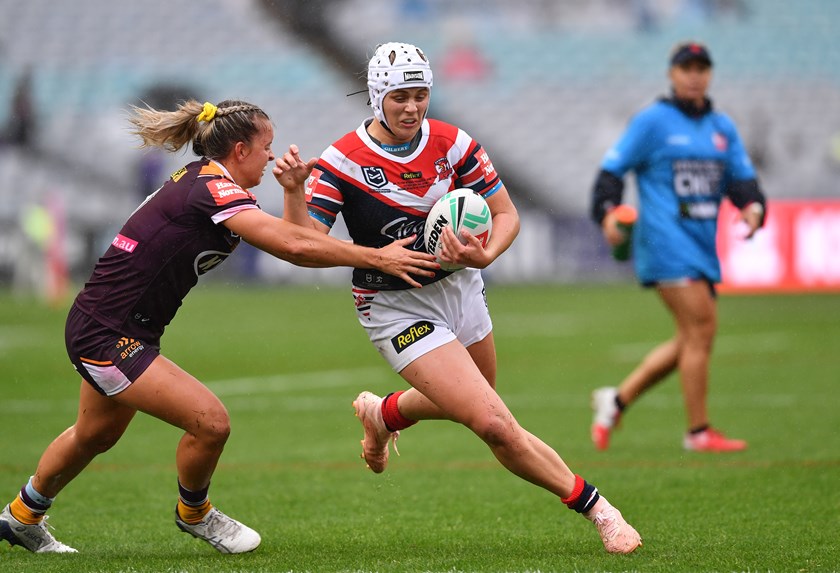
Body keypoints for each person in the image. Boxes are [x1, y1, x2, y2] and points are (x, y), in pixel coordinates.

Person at [0, 99, 438, 554]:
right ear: (241, 149)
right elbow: (296, 247)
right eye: (266, 147)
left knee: (95, 434)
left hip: (114, 326)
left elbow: (297, 244)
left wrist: (292, 191)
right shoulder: (213, 189)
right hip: (108, 335)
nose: (272, 157)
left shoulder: (212, 183)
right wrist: (377, 256)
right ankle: (196, 514)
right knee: (211, 423)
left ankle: (21, 517)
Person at [280, 42, 642, 554]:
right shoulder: (342, 161)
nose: (412, 107)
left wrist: (485, 255)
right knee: (494, 423)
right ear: (377, 96)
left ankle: (383, 415)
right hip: (394, 307)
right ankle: (600, 510)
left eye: (421, 94)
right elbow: (300, 248)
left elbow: (507, 215)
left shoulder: (453, 143)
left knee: (480, 400)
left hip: (461, 289)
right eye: (400, 96)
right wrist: (298, 195)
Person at [589, 41, 767, 453]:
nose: (694, 74)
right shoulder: (653, 121)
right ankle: (698, 432)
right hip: (664, 243)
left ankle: (615, 401)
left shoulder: (722, 127)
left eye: (702, 67)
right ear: (672, 73)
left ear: (710, 73)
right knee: (701, 330)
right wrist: (607, 214)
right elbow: (611, 173)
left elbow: (743, 180)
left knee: (690, 338)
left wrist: (754, 207)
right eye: (686, 67)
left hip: (701, 246)